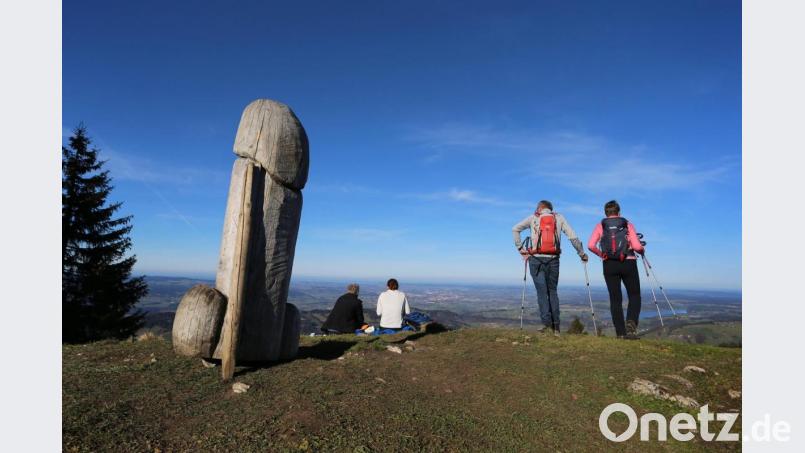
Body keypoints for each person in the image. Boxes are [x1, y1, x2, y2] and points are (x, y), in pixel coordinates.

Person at [512, 200, 588, 334]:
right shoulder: (558, 218)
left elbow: (515, 229)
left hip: (535, 259)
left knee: (542, 293)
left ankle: (546, 324)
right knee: (552, 292)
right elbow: (573, 237)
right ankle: (556, 327)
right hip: (553, 260)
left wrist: (521, 249)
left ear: (539, 208)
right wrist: (581, 253)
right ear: (550, 209)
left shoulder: (533, 218)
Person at [587, 200, 645, 339]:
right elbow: (637, 247)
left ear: (606, 213)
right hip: (628, 262)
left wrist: (602, 255)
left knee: (615, 299)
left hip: (609, 264)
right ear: (619, 212)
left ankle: (620, 333)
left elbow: (590, 245)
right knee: (634, 295)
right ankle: (631, 325)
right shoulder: (627, 224)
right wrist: (642, 250)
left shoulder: (601, 225)